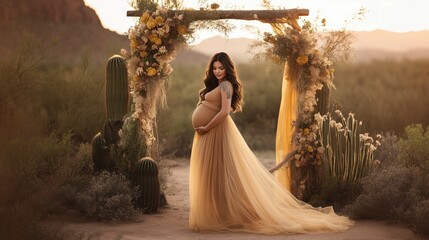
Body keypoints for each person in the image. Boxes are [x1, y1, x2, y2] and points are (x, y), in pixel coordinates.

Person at [189, 52, 353, 234]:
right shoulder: (218, 84)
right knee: (212, 173)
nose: (218, 71)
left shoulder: (227, 85)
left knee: (222, 172)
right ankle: (220, 213)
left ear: (228, 69)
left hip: (216, 131)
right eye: (215, 68)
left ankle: (232, 213)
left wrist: (206, 127)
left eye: (221, 68)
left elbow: (225, 112)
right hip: (208, 133)